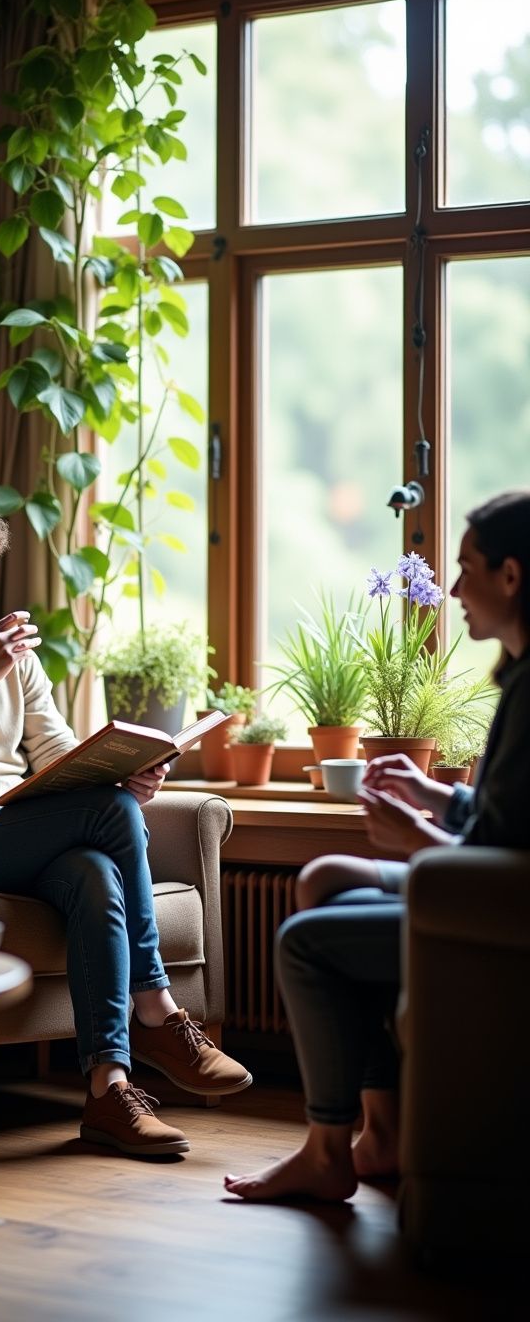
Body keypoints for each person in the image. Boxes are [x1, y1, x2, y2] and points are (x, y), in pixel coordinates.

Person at [0, 491, 252, 1159]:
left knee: (94, 869)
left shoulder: (15, 660)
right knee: (108, 817)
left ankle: (108, 1089)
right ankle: (155, 1006)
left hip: (21, 830)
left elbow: (57, 753)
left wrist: (122, 774)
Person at [224, 489, 530, 1202]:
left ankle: (326, 1152)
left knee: (304, 942)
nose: (454, 591)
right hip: (483, 883)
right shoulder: (519, 678)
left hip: (499, 910)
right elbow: (508, 822)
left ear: (512, 576)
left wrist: (417, 838)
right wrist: (434, 796)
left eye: (466, 569)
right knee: (325, 877)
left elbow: (502, 864)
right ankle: (382, 1132)